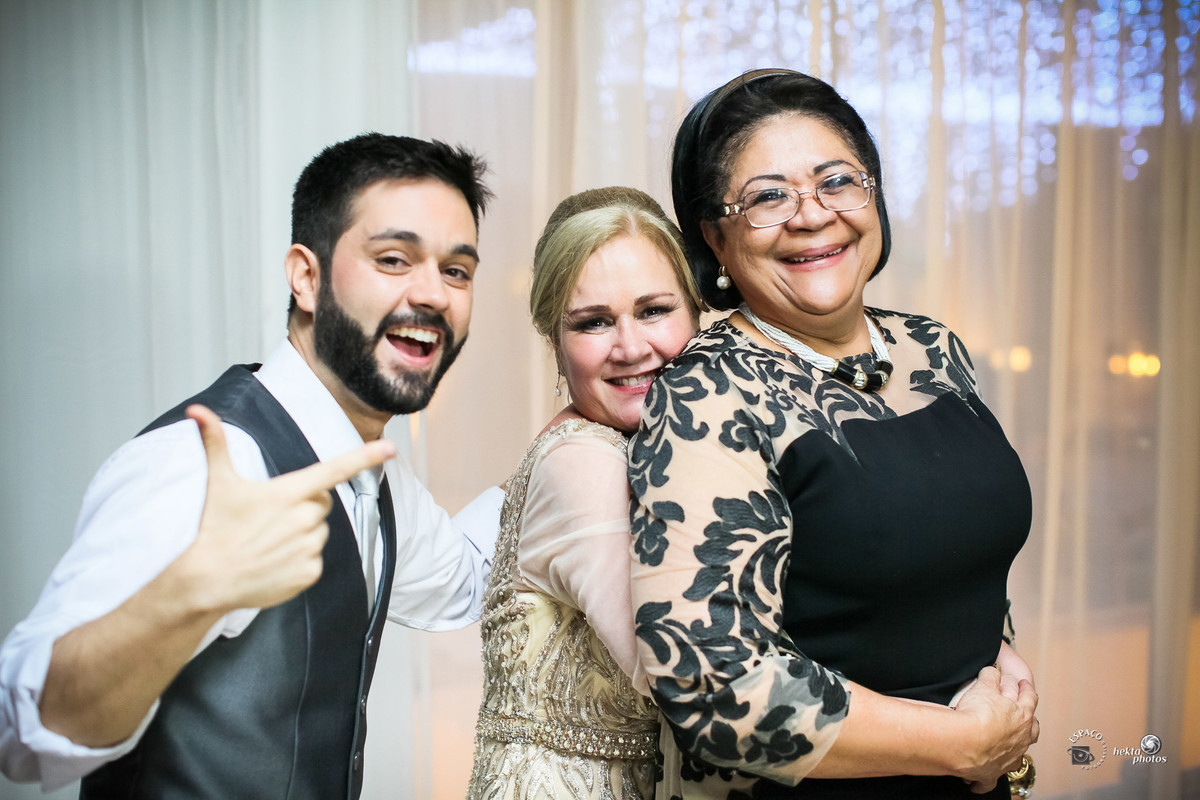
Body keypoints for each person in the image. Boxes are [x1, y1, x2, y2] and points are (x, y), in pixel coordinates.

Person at [0, 133, 503, 799]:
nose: (433, 294)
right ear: (306, 276)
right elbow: (27, 732)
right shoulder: (204, 461)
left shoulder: (374, 474)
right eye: (393, 258)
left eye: (457, 271)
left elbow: (464, 582)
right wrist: (189, 593)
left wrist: (575, 438)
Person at [627, 69, 1040, 799]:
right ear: (715, 239)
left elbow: (951, 543)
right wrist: (964, 742)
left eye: (837, 181)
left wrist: (1001, 668)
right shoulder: (709, 392)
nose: (812, 215)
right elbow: (710, 683)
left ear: (873, 196)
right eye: (767, 197)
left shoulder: (932, 347)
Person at [465, 187, 705, 800]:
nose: (630, 347)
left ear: (696, 314)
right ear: (555, 341)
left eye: (654, 311)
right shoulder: (584, 461)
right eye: (594, 322)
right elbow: (687, 676)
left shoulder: (638, 449)